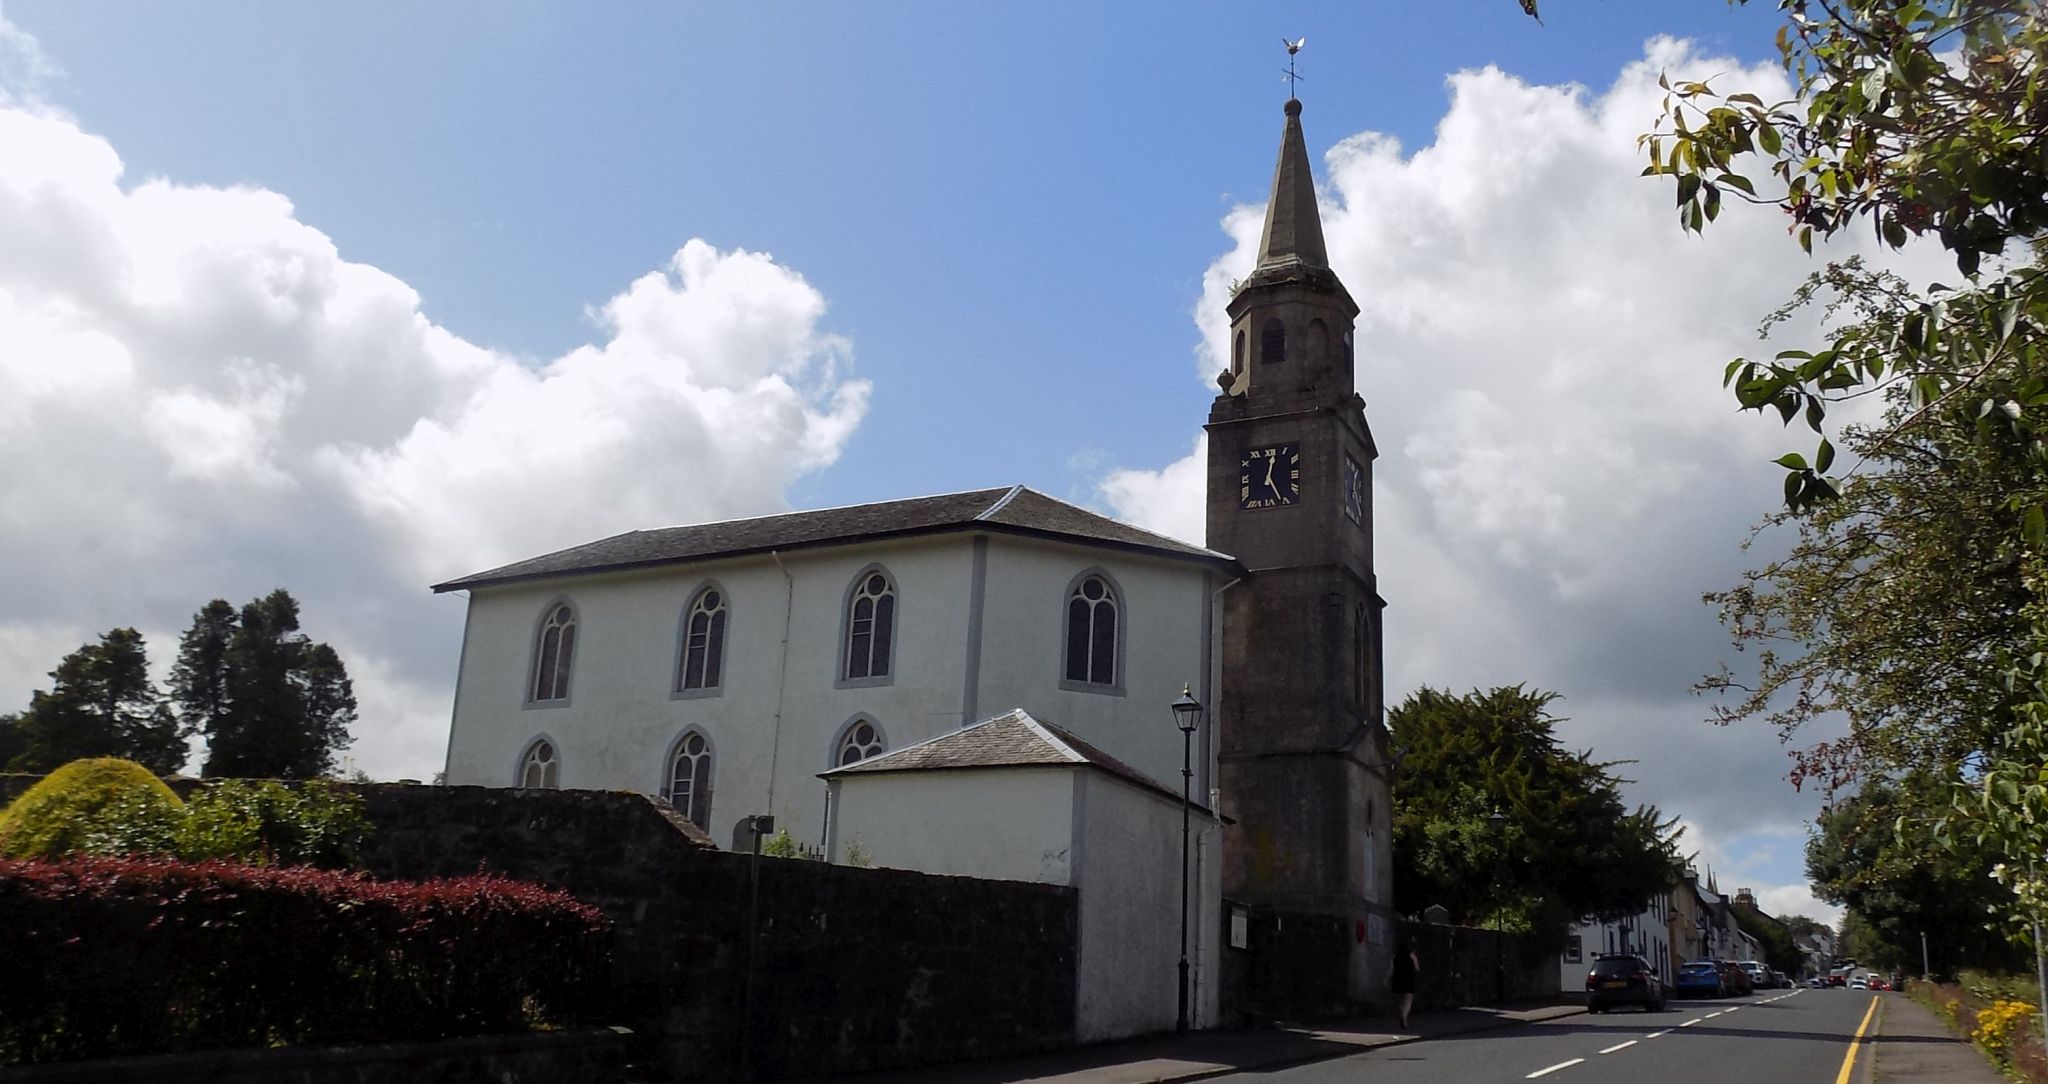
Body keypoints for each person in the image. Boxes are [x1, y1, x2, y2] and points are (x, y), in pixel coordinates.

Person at [1391, 940, 1419, 1029]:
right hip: (1408, 979)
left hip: (1398, 979)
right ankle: (1404, 1018)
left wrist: (1386, 979)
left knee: (1401, 1000)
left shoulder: (1395, 956)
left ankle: (1401, 1016)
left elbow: (1391, 968)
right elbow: (1417, 968)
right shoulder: (1412, 955)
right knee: (1408, 1000)